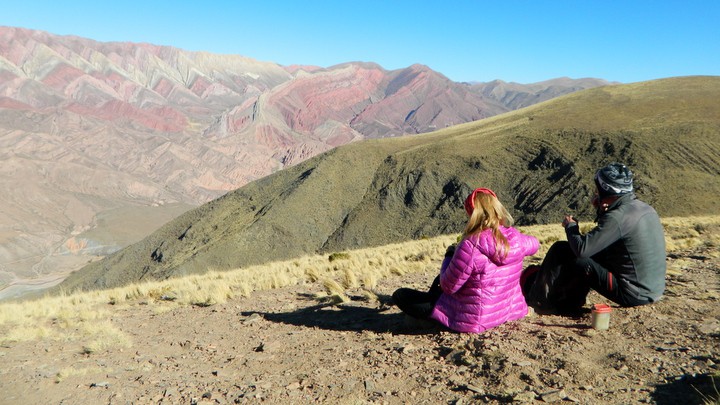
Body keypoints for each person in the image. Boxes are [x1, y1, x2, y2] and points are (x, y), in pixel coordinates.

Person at [392, 187, 540, 333]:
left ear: (472, 212)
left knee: (400, 295)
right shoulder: (517, 239)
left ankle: (431, 320)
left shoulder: (471, 244)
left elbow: (448, 286)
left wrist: (449, 257)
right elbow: (535, 244)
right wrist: (512, 237)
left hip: (473, 320)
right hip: (511, 311)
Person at [524, 162, 667, 312]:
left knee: (563, 251)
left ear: (606, 189)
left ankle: (538, 301)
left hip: (633, 293)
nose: (595, 193)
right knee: (586, 253)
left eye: (598, 189)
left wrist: (571, 227)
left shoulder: (618, 216)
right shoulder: (643, 208)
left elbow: (582, 250)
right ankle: (564, 299)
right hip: (651, 290)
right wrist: (601, 209)